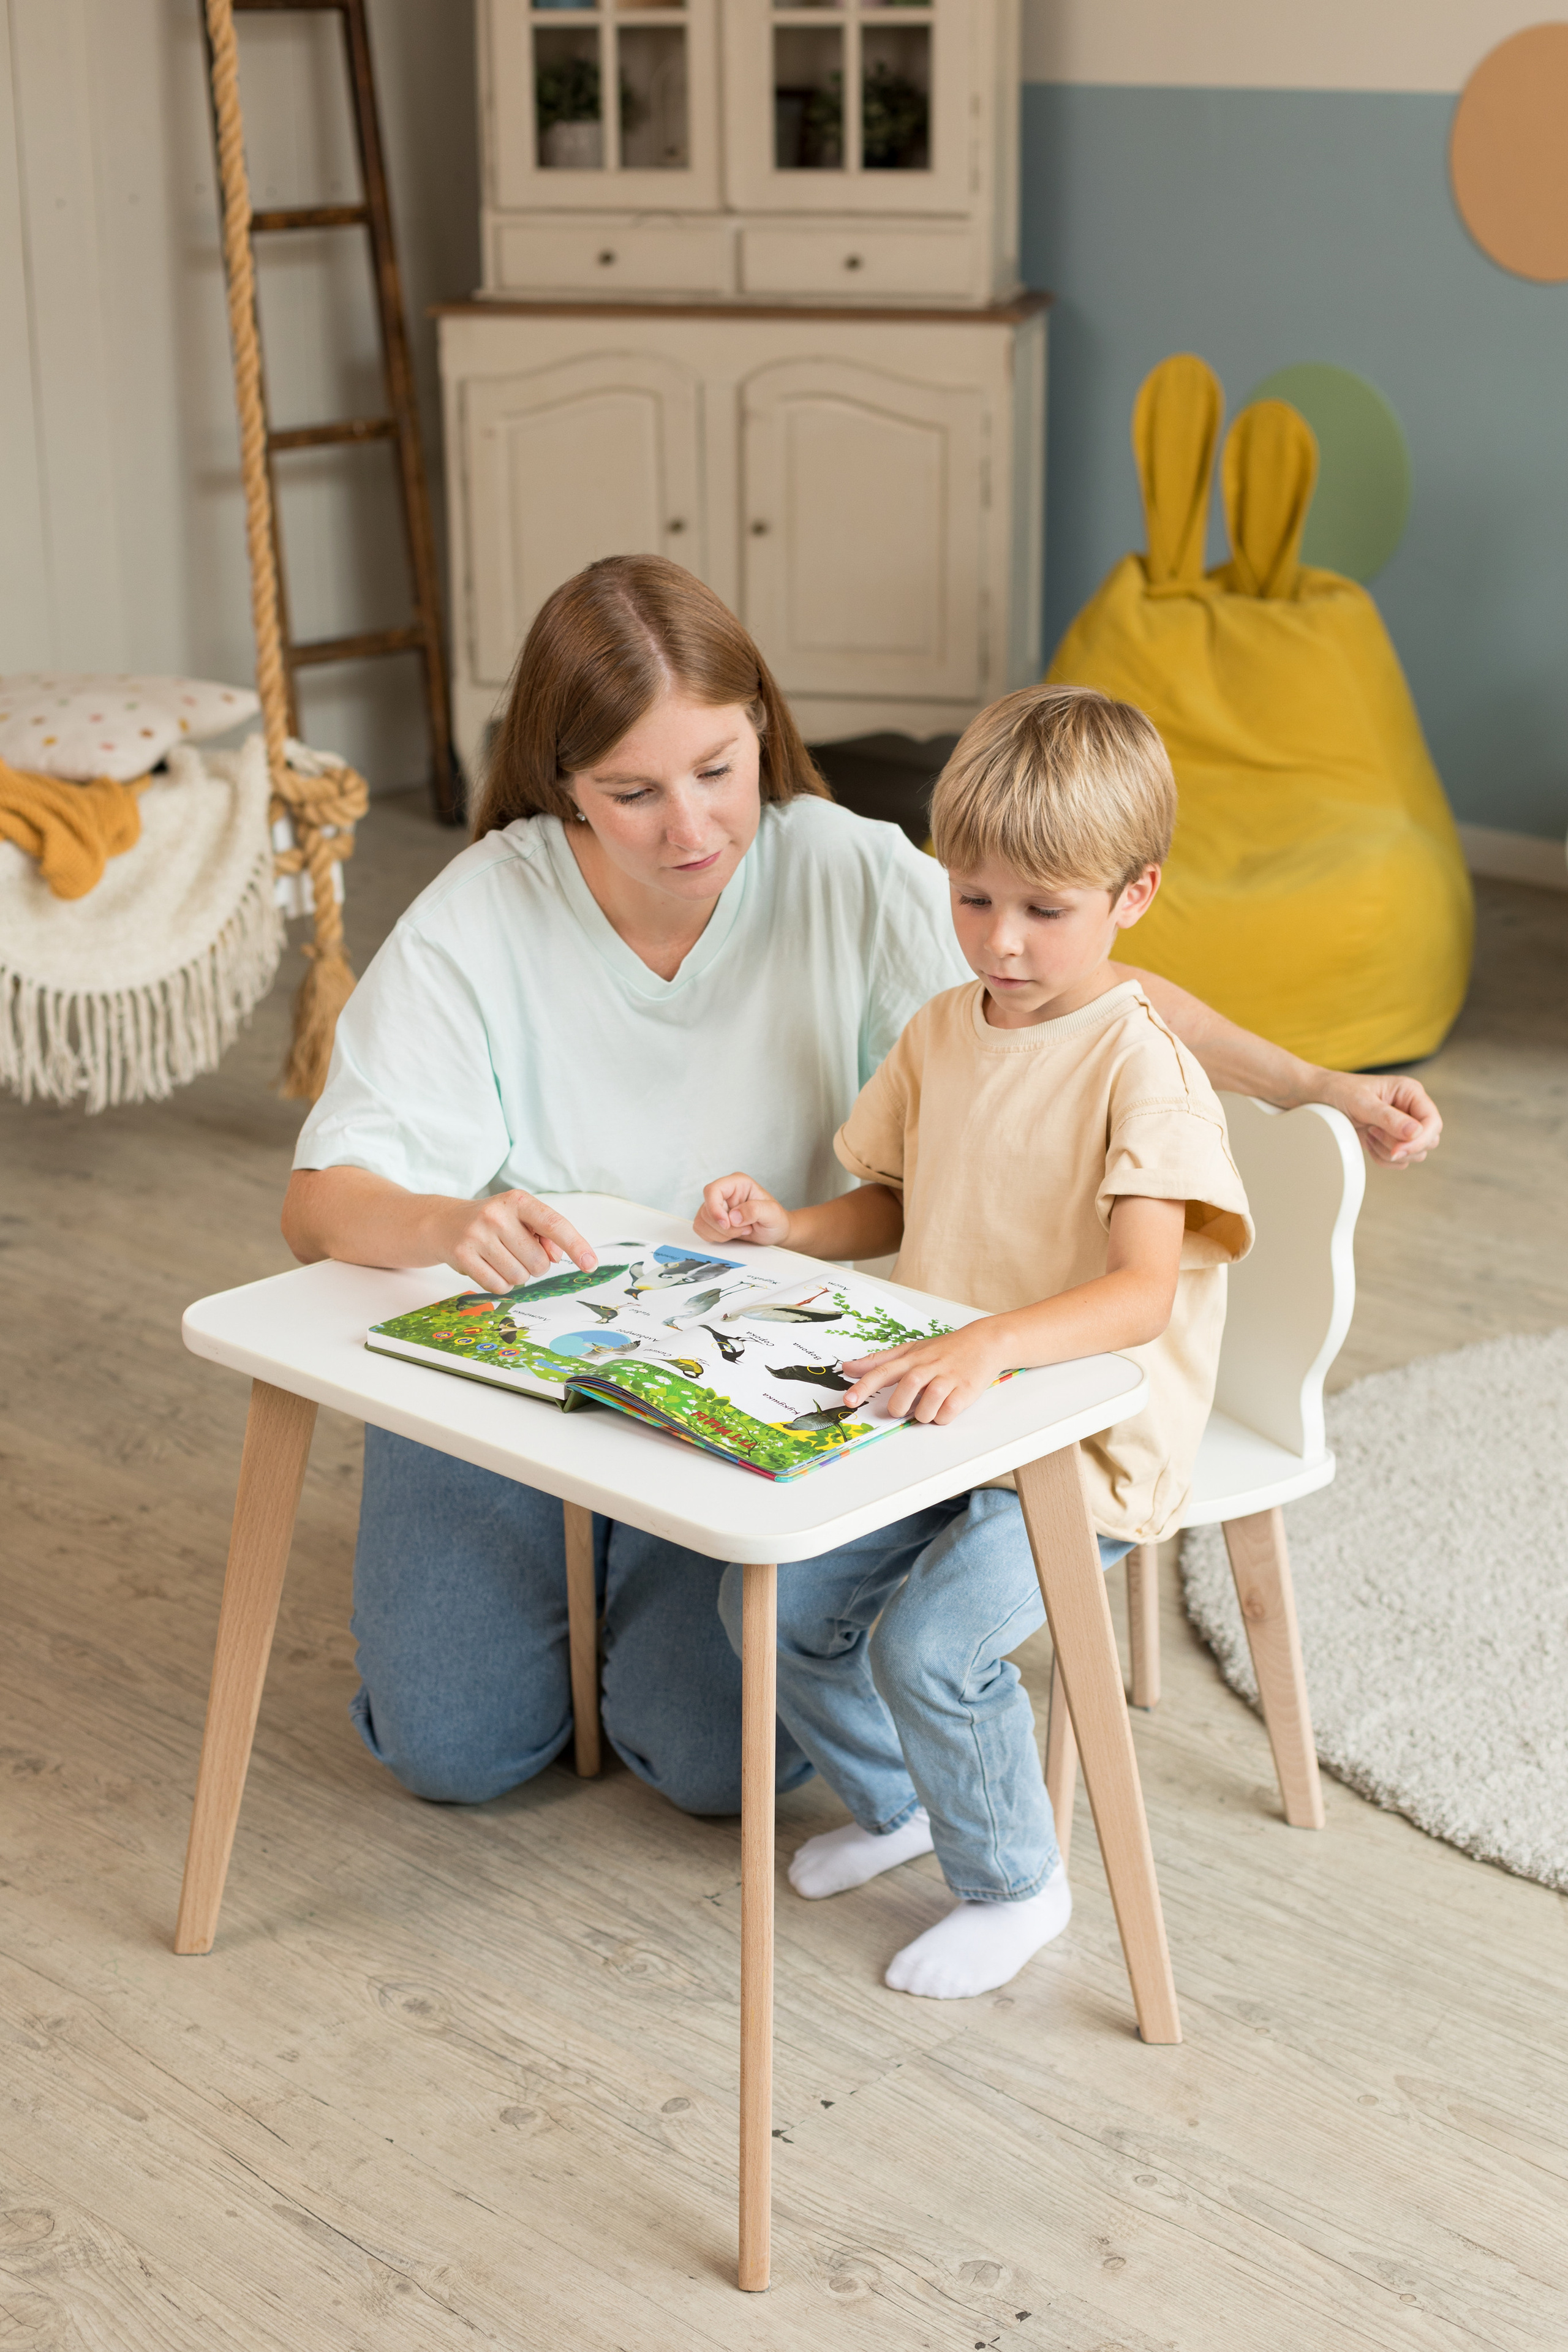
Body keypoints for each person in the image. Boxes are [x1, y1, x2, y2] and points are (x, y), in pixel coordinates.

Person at [280, 555, 1441, 1823]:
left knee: (712, 1764)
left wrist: (1312, 1084)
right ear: (563, 782)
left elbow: (1093, 993)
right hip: (519, 1369)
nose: (691, 829)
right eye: (632, 792)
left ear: (761, 729)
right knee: (451, 1750)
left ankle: (621, 1581)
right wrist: (450, 1221)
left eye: (717, 770)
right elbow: (320, 1203)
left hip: (743, 1378)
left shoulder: (839, 866)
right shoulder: (483, 911)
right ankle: (577, 1573)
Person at [697, 685, 1253, 1998]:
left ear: (1132, 895)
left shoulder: (1142, 1068)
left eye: (1043, 910)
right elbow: (896, 1201)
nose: (1000, 940)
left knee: (931, 1650)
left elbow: (1140, 1296)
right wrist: (789, 1227)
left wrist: (990, 1347)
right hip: (943, 1410)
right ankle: (899, 1805)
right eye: (972, 897)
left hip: (1081, 1445)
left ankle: (1016, 1885)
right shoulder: (943, 1030)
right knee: (772, 1610)